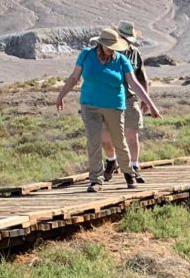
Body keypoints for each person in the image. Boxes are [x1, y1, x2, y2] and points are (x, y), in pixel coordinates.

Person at [55, 27, 160, 192]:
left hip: (114, 106)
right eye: (109, 47)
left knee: (119, 141)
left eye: (114, 47)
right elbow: (74, 77)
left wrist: (151, 105)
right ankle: (96, 180)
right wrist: (61, 95)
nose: (112, 50)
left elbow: (134, 84)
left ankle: (128, 173)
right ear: (101, 44)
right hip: (90, 105)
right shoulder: (86, 55)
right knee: (93, 141)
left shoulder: (121, 60)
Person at [98, 21, 152, 182]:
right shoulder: (106, 51)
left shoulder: (135, 53)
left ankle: (134, 166)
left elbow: (142, 77)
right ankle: (111, 160)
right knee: (105, 137)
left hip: (129, 98)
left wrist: (145, 99)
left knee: (131, 134)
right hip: (107, 99)